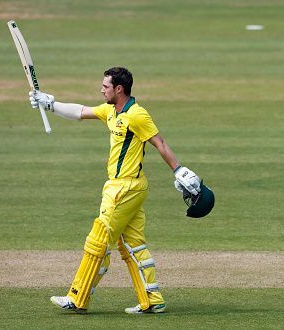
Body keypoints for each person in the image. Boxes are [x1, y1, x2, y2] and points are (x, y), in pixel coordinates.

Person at [29, 67, 201, 314]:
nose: (101, 90)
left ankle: (77, 297)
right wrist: (49, 103)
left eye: (105, 86)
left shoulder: (137, 115)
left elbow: (159, 142)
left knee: (98, 240)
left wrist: (179, 170)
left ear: (119, 89)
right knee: (133, 244)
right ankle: (152, 300)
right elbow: (80, 112)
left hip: (125, 187)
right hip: (125, 188)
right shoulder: (111, 111)